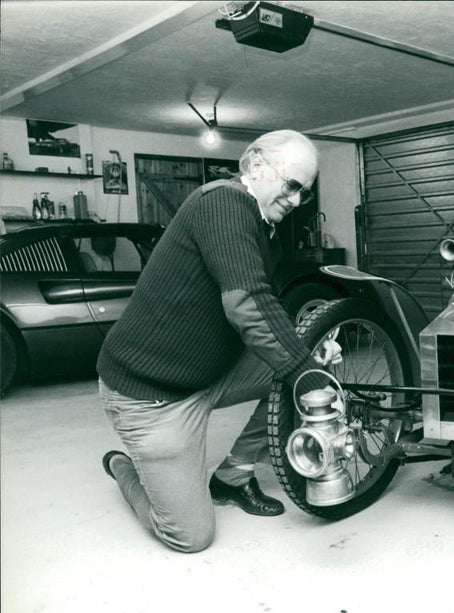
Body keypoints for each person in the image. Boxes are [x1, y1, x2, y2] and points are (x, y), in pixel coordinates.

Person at [97, 130, 340, 553]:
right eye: (292, 186)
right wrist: (307, 372)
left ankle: (232, 476)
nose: (297, 200)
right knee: (190, 537)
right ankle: (123, 468)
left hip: (210, 371)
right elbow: (248, 304)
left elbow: (264, 309)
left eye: (305, 192)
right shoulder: (224, 203)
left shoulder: (267, 233)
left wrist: (309, 358)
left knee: (308, 363)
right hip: (152, 395)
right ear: (257, 166)